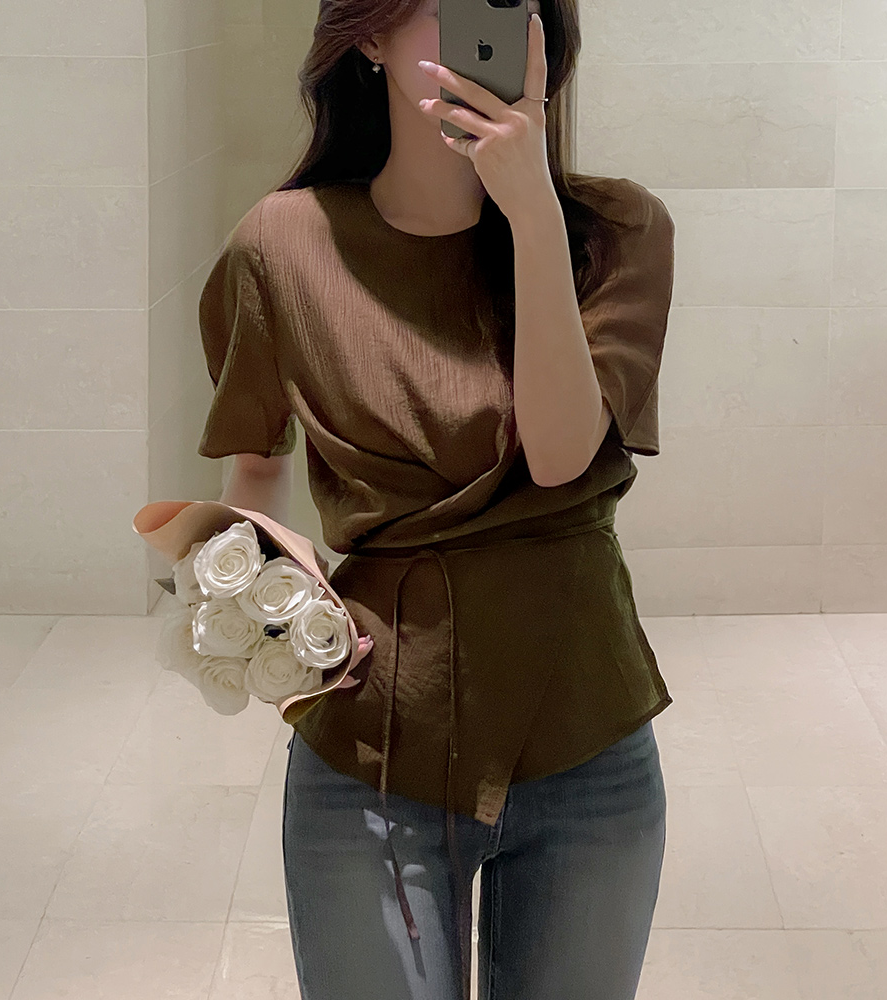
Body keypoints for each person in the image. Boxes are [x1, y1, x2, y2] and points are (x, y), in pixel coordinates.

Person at [196, 1, 676, 997]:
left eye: (500, 6)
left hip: (584, 732)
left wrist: (531, 213)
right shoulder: (281, 244)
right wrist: (259, 611)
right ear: (367, 34)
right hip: (372, 745)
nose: (475, 33)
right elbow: (254, 471)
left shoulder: (616, 234)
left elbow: (559, 454)